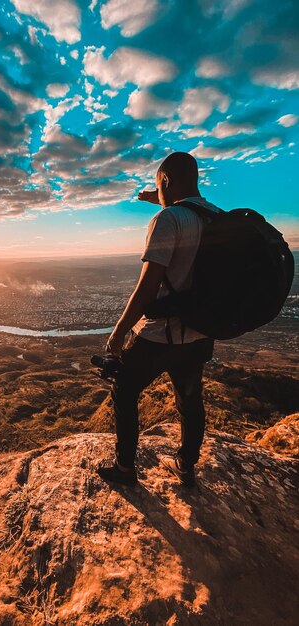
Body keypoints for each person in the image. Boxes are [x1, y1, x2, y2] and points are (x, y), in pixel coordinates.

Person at [97, 152, 220, 488]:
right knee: (190, 398)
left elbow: (149, 286)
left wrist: (119, 332)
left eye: (158, 185)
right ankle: (186, 465)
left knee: (124, 389)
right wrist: (164, 202)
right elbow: (191, 230)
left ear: (164, 181)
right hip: (201, 334)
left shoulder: (168, 220)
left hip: (160, 335)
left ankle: (124, 469)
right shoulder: (218, 218)